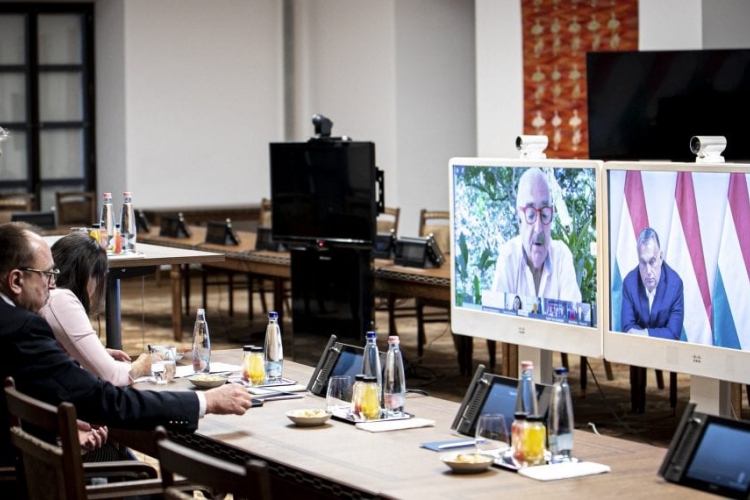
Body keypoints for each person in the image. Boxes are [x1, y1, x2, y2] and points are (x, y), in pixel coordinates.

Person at [0, 222, 255, 467]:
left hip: (29, 451)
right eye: (46, 275)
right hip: (30, 471)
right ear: (15, 281)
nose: (53, 284)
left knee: (122, 459)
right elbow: (104, 398)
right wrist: (205, 401)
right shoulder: (24, 329)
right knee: (143, 475)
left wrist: (59, 423)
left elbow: (27, 387)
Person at [39, 232, 153, 385]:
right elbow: (111, 376)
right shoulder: (60, 300)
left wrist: (96, 354)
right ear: (88, 274)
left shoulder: (48, 295)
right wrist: (141, 366)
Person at [492, 167, 581, 302]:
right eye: (530, 215)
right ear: (519, 219)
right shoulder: (508, 257)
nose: (538, 229)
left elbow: (573, 313)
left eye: (544, 214)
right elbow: (495, 313)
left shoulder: (562, 257)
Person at [620, 227, 684, 340]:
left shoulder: (675, 285)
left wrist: (645, 333)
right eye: (643, 262)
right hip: (636, 349)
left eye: (652, 261)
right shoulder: (629, 283)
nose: (648, 271)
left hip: (665, 350)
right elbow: (627, 328)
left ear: (661, 257)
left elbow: (673, 334)